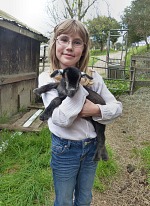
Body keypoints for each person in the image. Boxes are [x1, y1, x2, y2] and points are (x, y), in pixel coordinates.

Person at [38, 19, 122, 206]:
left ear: (83, 49)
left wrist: (96, 109)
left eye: (77, 42)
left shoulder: (94, 77)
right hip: (65, 150)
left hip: (91, 146)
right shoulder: (47, 77)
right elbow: (61, 119)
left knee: (84, 198)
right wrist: (77, 85)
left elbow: (117, 108)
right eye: (64, 40)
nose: (69, 47)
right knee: (65, 200)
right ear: (55, 44)